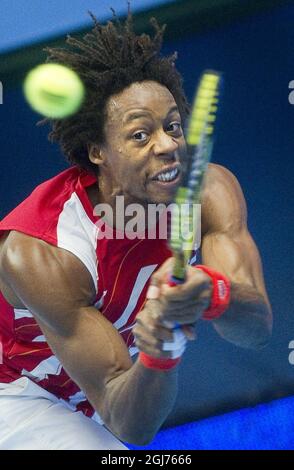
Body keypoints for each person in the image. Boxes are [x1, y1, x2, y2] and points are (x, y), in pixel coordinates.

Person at [0, 9, 272, 450]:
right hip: (18, 393)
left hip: (95, 397)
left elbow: (257, 328)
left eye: (172, 127)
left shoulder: (209, 191)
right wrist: (160, 350)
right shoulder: (42, 249)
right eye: (140, 135)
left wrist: (212, 290)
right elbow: (130, 424)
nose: (167, 145)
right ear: (97, 152)